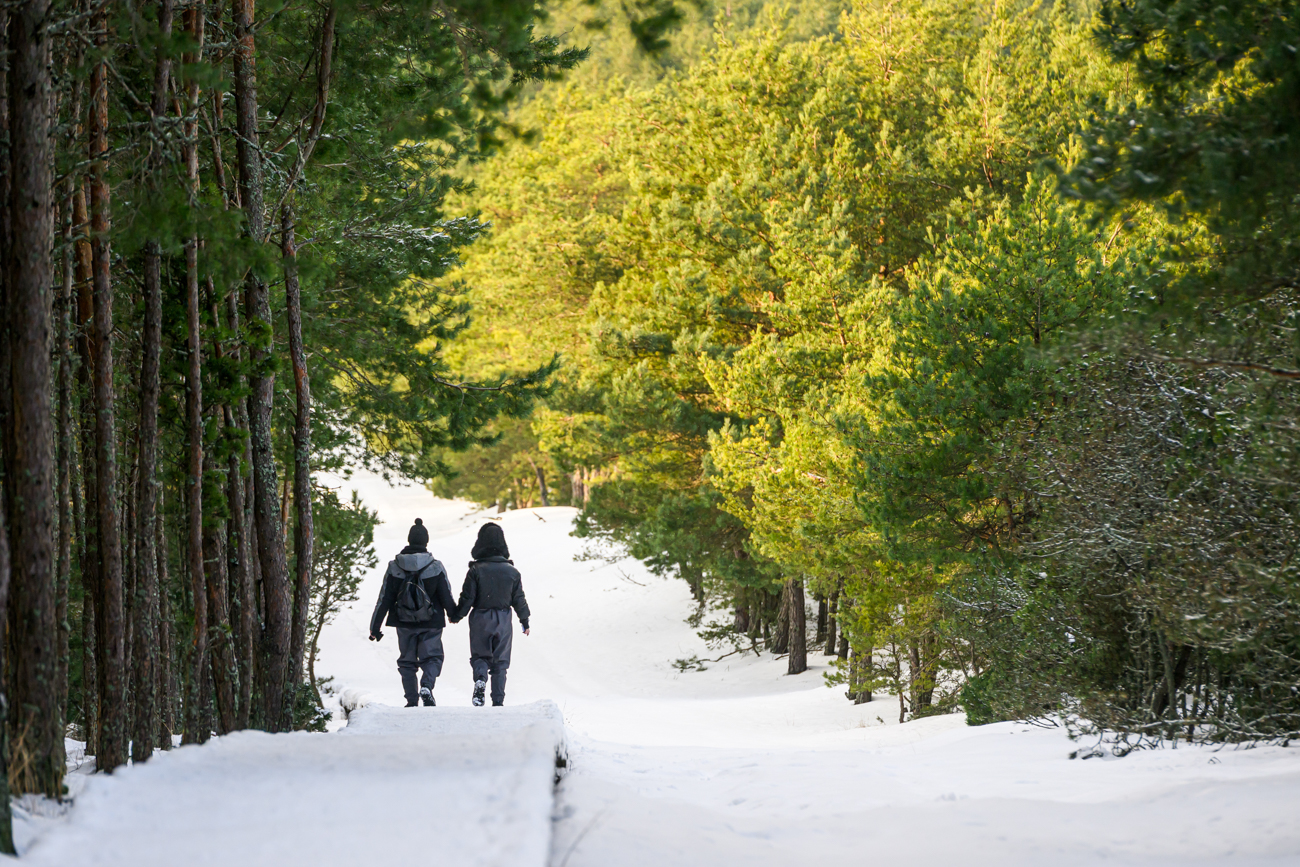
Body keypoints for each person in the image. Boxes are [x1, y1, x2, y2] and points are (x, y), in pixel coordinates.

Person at [369, 518, 458, 707]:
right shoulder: (435, 566)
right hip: (431, 622)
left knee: (407, 661)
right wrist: (453, 614)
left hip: (403, 622)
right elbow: (446, 595)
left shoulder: (394, 566)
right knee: (433, 657)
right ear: (426, 541)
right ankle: (427, 686)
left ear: (409, 540)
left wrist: (375, 627)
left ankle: (411, 700)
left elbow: (384, 598)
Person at [454, 523, 530, 707]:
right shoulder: (512, 572)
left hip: (480, 617)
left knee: (480, 656)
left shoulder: (475, 570)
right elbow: (519, 599)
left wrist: (457, 615)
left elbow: (467, 598)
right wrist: (524, 620)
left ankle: (480, 679)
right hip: (503, 618)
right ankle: (497, 701)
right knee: (500, 662)